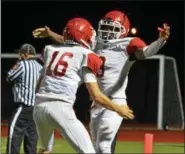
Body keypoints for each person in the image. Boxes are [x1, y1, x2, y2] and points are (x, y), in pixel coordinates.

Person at [32, 10, 170, 153]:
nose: (108, 31)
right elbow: (73, 41)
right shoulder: (93, 45)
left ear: (124, 30)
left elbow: (146, 52)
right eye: (106, 27)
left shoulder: (127, 43)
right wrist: (51, 34)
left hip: (114, 99)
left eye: (113, 28)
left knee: (103, 146)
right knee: (96, 147)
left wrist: (160, 41)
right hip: (97, 102)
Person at [33, 17, 134, 154]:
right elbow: (97, 96)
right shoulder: (85, 55)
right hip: (60, 108)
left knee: (45, 150)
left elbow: (38, 86)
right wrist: (118, 108)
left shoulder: (49, 50)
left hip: (39, 108)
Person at [6, 43, 42, 154]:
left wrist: (18, 62)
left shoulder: (22, 64)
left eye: (20, 54)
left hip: (23, 107)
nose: (19, 55)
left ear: (25, 54)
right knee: (31, 142)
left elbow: (9, 77)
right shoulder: (40, 67)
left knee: (14, 138)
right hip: (36, 109)